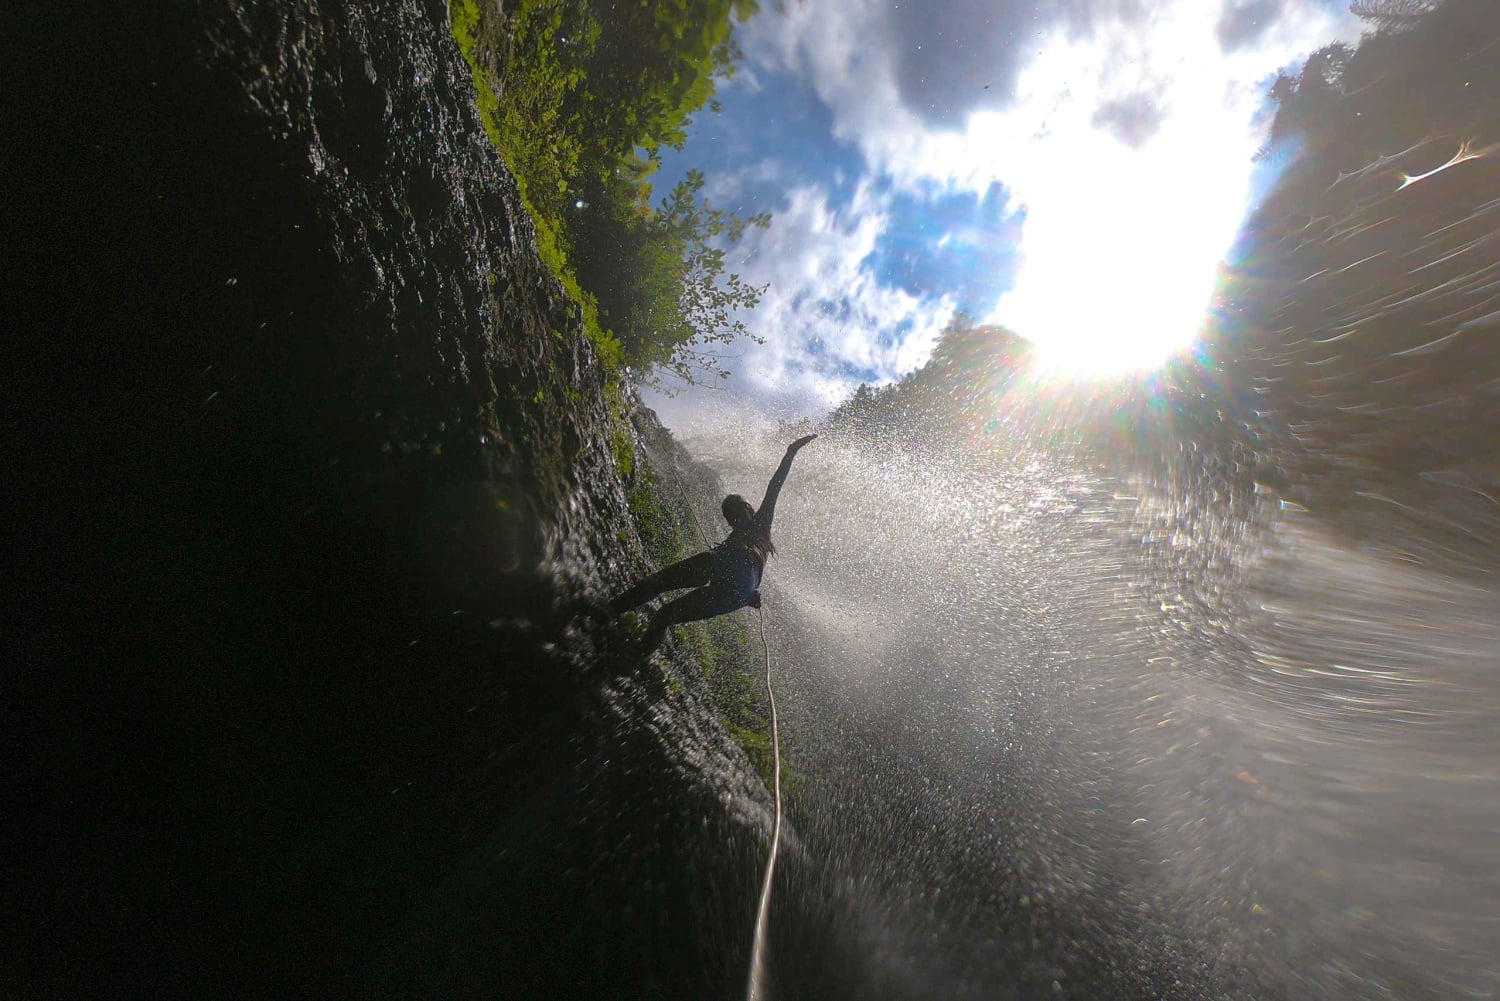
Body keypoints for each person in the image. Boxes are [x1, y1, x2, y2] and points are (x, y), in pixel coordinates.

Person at [612, 434, 818, 647]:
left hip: (735, 566)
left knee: (659, 584)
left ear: (749, 509)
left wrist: (790, 452)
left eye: (735, 511)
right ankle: (628, 659)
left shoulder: (761, 522)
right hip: (740, 592)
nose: (733, 517)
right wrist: (748, 597)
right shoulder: (745, 535)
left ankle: (608, 611)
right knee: (665, 616)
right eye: (729, 515)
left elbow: (775, 485)